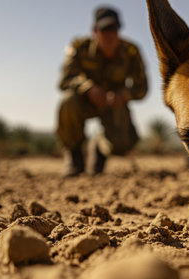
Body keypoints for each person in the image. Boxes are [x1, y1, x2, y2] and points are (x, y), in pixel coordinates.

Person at [57, 6, 148, 177]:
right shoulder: (79, 47)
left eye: (113, 29)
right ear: (94, 30)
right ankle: (74, 156)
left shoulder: (131, 52)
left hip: (115, 105)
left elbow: (142, 88)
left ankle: (99, 147)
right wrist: (88, 88)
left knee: (122, 144)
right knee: (68, 101)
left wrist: (123, 95)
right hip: (84, 102)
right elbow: (64, 80)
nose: (109, 34)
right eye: (104, 29)